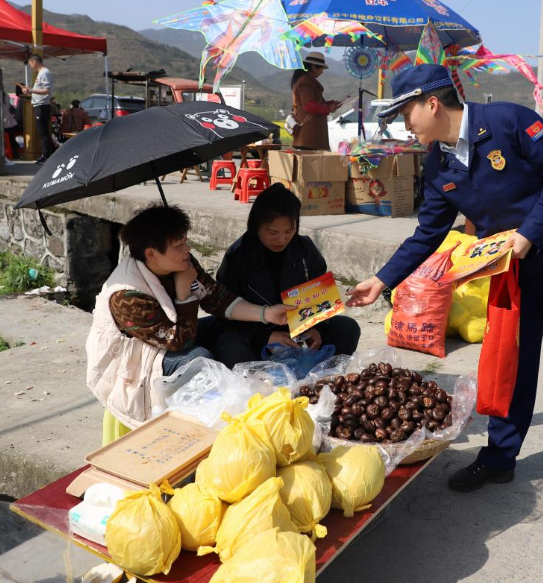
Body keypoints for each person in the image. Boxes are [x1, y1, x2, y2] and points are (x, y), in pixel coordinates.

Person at [346, 65, 543, 497]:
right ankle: (500, 457)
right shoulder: (436, 165)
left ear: (431, 103)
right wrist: (381, 280)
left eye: (405, 113)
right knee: (511, 366)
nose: (403, 124)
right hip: (512, 274)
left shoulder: (508, 122)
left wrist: (528, 234)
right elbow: (428, 233)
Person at [86, 205, 288, 429]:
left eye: (185, 241)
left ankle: (244, 392)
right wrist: (184, 295)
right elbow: (178, 341)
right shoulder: (126, 296)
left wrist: (266, 314)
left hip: (174, 334)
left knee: (226, 327)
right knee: (197, 360)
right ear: (151, 254)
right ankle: (210, 420)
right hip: (137, 360)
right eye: (179, 245)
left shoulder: (182, 262)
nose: (187, 249)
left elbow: (216, 298)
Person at [213, 183, 361, 367]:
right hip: (255, 335)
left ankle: (322, 379)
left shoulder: (305, 250)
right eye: (272, 232)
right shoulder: (238, 256)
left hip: (298, 332)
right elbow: (223, 312)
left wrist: (315, 328)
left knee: (347, 327)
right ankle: (258, 385)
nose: (281, 239)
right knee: (229, 344)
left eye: (289, 231)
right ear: (256, 225)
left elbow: (322, 299)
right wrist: (265, 337)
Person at [290, 51, 341, 151]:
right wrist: (328, 109)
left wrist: (331, 104)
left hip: (310, 135)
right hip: (308, 134)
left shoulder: (307, 81)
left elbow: (317, 103)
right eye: (321, 68)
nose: (322, 71)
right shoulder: (305, 82)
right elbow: (309, 106)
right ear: (314, 66)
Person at [21, 53, 55, 163]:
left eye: (31, 64)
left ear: (34, 61)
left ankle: (46, 156)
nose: (31, 67)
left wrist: (30, 90)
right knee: (43, 132)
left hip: (42, 106)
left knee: (43, 132)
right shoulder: (41, 73)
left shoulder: (44, 73)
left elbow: (47, 90)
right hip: (39, 105)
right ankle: (47, 154)